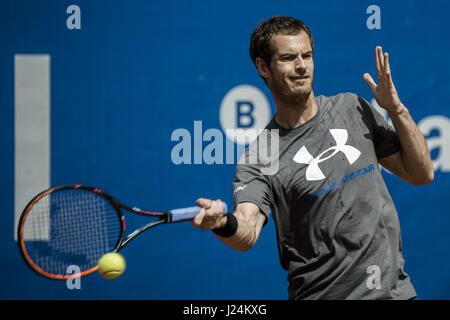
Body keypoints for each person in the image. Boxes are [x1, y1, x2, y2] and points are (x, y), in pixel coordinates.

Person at [192, 16, 434, 299]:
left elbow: (421, 174)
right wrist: (223, 224)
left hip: (395, 294)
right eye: (288, 58)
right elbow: (247, 231)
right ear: (262, 67)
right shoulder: (260, 156)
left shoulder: (353, 108)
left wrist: (396, 109)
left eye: (307, 55)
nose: (302, 66)